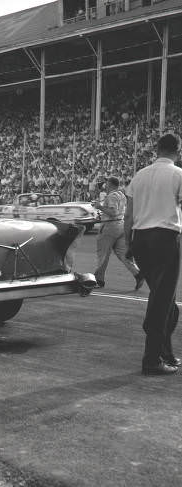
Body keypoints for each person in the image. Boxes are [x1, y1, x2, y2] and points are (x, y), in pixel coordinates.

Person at [124, 134, 182, 375]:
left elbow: (128, 215)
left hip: (141, 239)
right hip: (165, 237)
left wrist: (129, 244)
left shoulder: (140, 175)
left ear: (157, 149)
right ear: (177, 150)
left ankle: (165, 353)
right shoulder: (178, 174)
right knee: (161, 300)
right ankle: (151, 359)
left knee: (167, 302)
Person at [92, 177, 144, 290]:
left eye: (106, 183)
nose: (105, 185)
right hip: (120, 225)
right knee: (123, 254)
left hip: (109, 226)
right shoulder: (121, 194)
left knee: (103, 254)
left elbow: (113, 212)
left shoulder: (111, 196)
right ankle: (138, 274)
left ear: (109, 184)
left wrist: (99, 206)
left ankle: (99, 280)